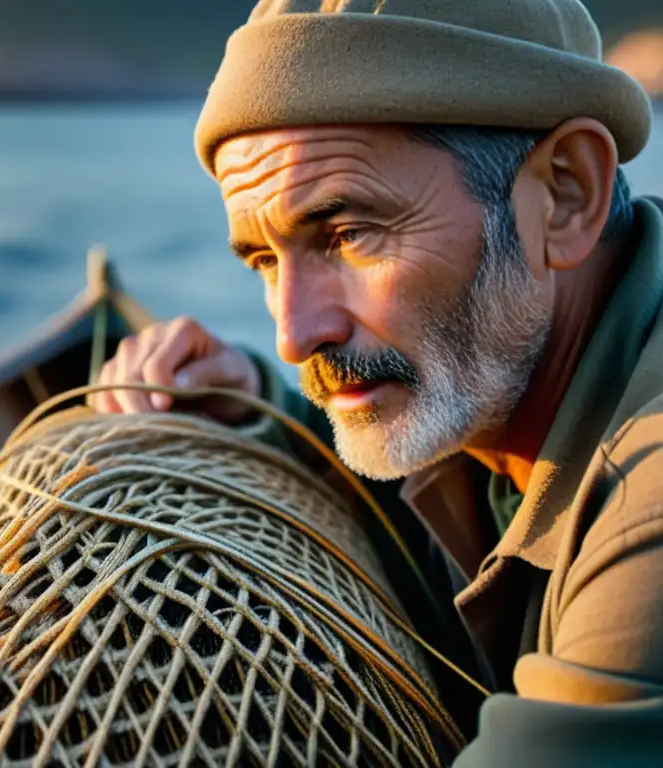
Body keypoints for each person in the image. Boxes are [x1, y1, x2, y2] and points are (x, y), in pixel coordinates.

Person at [92, 0, 663, 764]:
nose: (294, 333)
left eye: (349, 234)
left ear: (564, 194)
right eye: (264, 260)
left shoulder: (647, 498)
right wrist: (260, 404)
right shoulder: (496, 385)